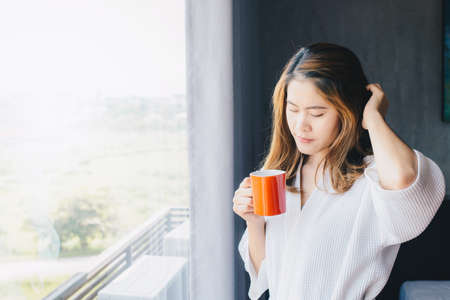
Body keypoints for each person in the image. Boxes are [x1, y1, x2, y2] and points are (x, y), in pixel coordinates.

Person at [232, 42, 446, 300]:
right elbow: (263, 279)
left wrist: (373, 117)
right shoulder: (282, 177)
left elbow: (405, 180)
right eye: (293, 109)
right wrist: (254, 222)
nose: (301, 125)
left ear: (348, 111)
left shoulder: (372, 180)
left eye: (317, 113)